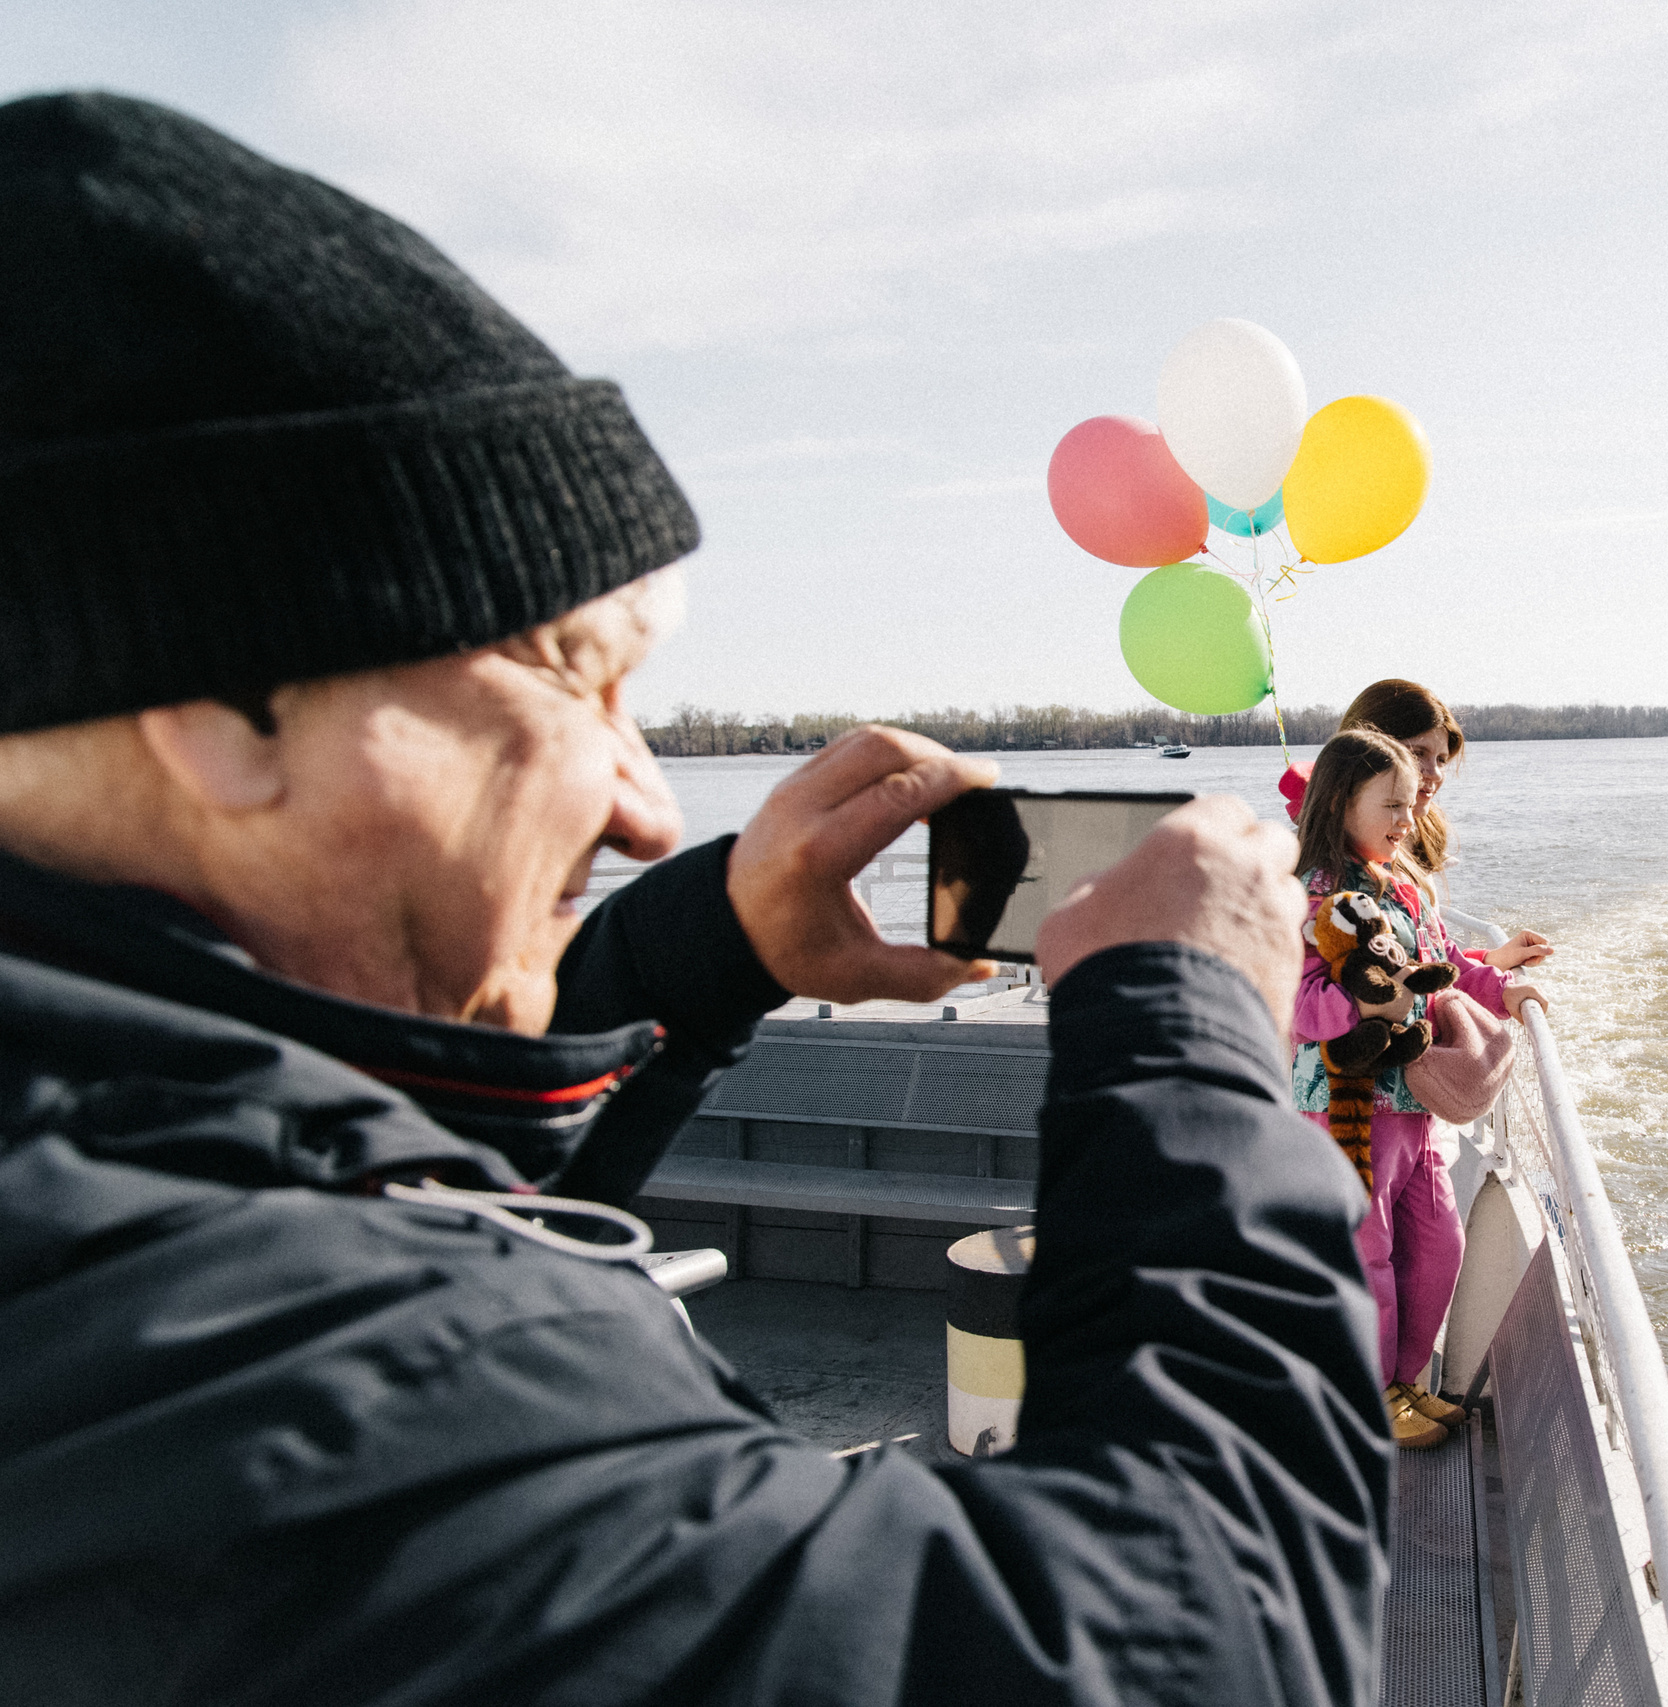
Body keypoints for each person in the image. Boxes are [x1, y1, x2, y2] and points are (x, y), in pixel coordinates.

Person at [0, 93, 1388, 1707]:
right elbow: (1209, 1646)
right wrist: (1184, 1028)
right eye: (578, 678)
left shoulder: (112, 1251)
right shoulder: (335, 1403)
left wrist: (708, 955)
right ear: (222, 698)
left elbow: (364, 1181)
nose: (647, 793)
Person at [1289, 731, 1543, 1451]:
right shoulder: (1314, 893)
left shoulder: (1404, 882)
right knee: (1365, 1256)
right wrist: (1369, 1006)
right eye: (1392, 803)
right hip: (1342, 1109)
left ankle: (1404, 1381)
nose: (1408, 816)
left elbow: (1446, 964)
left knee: (1438, 1243)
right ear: (1342, 802)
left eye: (1410, 802)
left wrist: (1504, 987)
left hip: (1414, 1106)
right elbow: (1299, 1002)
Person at [1336, 678, 1552, 974]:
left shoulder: (1415, 837)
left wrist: (1491, 960)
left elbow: (1426, 956)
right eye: (1417, 754)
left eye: (1441, 759)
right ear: (1364, 753)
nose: (1435, 774)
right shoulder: (1328, 867)